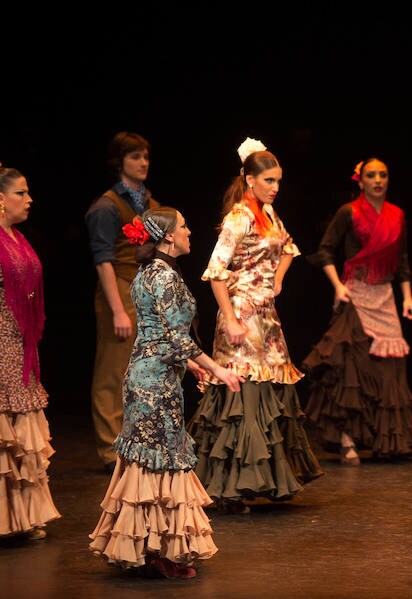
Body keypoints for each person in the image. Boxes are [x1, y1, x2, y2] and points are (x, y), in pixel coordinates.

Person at [88, 206, 244, 579]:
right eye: (185, 225)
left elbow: (154, 336)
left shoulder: (146, 274)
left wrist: (188, 366)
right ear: (170, 237)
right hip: (155, 384)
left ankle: (146, 547)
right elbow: (174, 338)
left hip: (145, 375)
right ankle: (159, 551)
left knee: (147, 463)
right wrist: (216, 368)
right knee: (160, 462)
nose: (190, 231)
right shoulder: (166, 279)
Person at [188, 138, 323, 515]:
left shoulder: (269, 214)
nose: (275, 187)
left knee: (267, 390)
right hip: (242, 313)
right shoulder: (239, 216)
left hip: (267, 315)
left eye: (278, 181)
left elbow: (290, 248)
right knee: (241, 395)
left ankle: (264, 480)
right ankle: (231, 486)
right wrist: (230, 318)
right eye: (268, 180)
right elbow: (215, 272)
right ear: (249, 179)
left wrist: (277, 279)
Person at [300, 157, 412, 465]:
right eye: (372, 175)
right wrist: (337, 286)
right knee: (351, 368)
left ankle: (387, 440)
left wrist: (407, 298)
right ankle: (347, 439)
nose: (378, 180)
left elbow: (403, 261)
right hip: (355, 294)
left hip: (384, 295)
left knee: (388, 370)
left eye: (383, 174)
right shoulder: (350, 212)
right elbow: (326, 250)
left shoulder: (397, 215)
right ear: (361, 180)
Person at [84, 131, 159, 473]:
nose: (142, 163)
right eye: (134, 157)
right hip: (120, 288)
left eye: (145, 156)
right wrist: (117, 309)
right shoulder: (106, 206)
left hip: (144, 290)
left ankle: (138, 440)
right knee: (114, 372)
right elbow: (103, 260)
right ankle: (109, 449)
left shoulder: (146, 200)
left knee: (144, 371)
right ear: (119, 162)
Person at [0, 165, 61, 541]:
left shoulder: (17, 238)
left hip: (18, 343)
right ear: (1, 200)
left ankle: (20, 518)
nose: (29, 199)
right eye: (21, 192)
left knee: (20, 422)